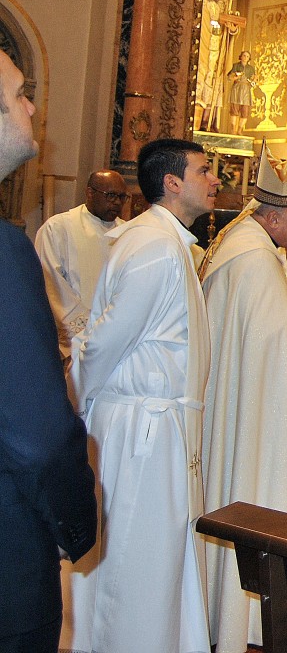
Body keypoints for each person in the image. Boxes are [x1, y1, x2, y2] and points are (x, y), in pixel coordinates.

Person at [67, 137, 221, 652]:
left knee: (157, 557)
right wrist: (77, 405)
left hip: (155, 428)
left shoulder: (166, 242)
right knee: (136, 561)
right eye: (204, 171)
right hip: (142, 430)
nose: (215, 180)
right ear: (172, 183)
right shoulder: (155, 247)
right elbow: (105, 341)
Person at [200, 146, 287, 653]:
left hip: (237, 404)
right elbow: (276, 344)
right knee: (254, 486)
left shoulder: (241, 244)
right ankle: (246, 611)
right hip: (257, 420)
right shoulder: (254, 261)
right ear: (271, 216)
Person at [0, 50, 95, 653]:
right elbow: (36, 434)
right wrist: (75, 521)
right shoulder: (5, 253)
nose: (32, 108)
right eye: (18, 95)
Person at [34, 168, 127, 363]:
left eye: (122, 197)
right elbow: (51, 283)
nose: (117, 203)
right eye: (111, 195)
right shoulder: (58, 228)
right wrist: (86, 333)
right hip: (74, 345)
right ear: (90, 192)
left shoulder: (128, 233)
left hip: (115, 343)